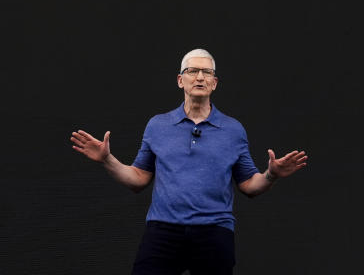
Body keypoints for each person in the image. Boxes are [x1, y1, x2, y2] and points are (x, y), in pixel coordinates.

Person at [70, 48, 307, 274]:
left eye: (207, 73)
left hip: (214, 232)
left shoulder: (233, 130)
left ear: (214, 83)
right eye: (192, 71)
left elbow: (250, 186)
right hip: (163, 231)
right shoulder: (157, 125)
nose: (200, 77)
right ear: (180, 80)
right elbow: (138, 179)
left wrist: (271, 174)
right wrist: (107, 159)